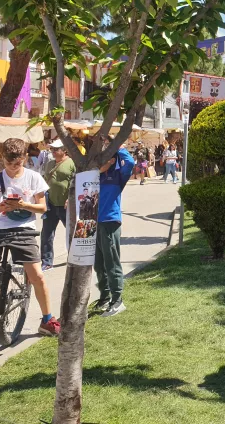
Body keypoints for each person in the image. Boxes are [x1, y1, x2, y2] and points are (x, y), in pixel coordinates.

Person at [0, 138, 60, 336]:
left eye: (18, 163)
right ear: (3, 159)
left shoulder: (33, 177)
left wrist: (23, 205)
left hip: (24, 229)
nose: (14, 168)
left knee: (37, 276)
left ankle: (47, 319)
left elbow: (42, 208)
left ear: (25, 157)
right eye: (9, 163)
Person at [94, 134, 135, 317]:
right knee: (98, 264)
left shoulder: (118, 175)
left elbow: (131, 163)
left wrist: (118, 147)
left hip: (110, 221)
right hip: (92, 223)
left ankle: (117, 300)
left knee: (112, 262)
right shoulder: (95, 176)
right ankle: (104, 296)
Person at [40, 139, 76, 271]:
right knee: (47, 234)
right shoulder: (49, 164)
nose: (53, 152)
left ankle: (74, 257)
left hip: (65, 205)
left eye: (56, 149)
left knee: (72, 232)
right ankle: (47, 261)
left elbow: (75, 182)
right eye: (52, 149)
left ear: (64, 150)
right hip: (50, 203)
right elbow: (44, 181)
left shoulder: (72, 163)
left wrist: (70, 198)